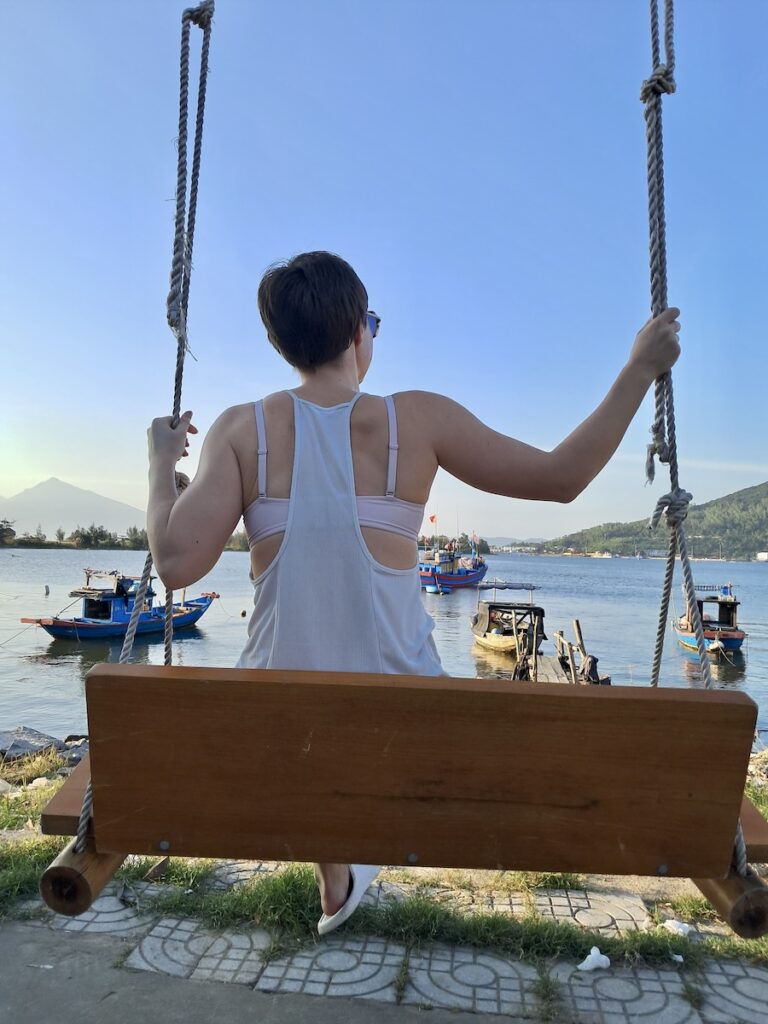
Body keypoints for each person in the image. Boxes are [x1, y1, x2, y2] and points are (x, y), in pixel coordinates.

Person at [147, 250, 681, 934]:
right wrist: (640, 368)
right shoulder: (418, 421)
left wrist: (163, 464)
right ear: (357, 331)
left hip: (277, 743)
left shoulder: (239, 429)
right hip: (413, 737)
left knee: (305, 707)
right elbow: (562, 477)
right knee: (389, 710)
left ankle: (333, 859)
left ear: (285, 345)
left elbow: (174, 563)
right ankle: (344, 853)